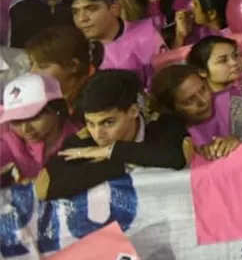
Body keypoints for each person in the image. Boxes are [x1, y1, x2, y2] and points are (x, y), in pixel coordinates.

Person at [36, 69, 190, 200]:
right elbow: (44, 187)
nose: (98, 134)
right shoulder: (82, 142)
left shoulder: (164, 124)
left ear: (133, 111)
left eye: (108, 123)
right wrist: (116, 162)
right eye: (90, 123)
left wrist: (110, 151)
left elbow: (177, 157)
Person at [0, 73, 78, 185]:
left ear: (57, 109)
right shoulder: (10, 144)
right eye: (16, 121)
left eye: (34, 118)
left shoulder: (81, 139)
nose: (25, 129)